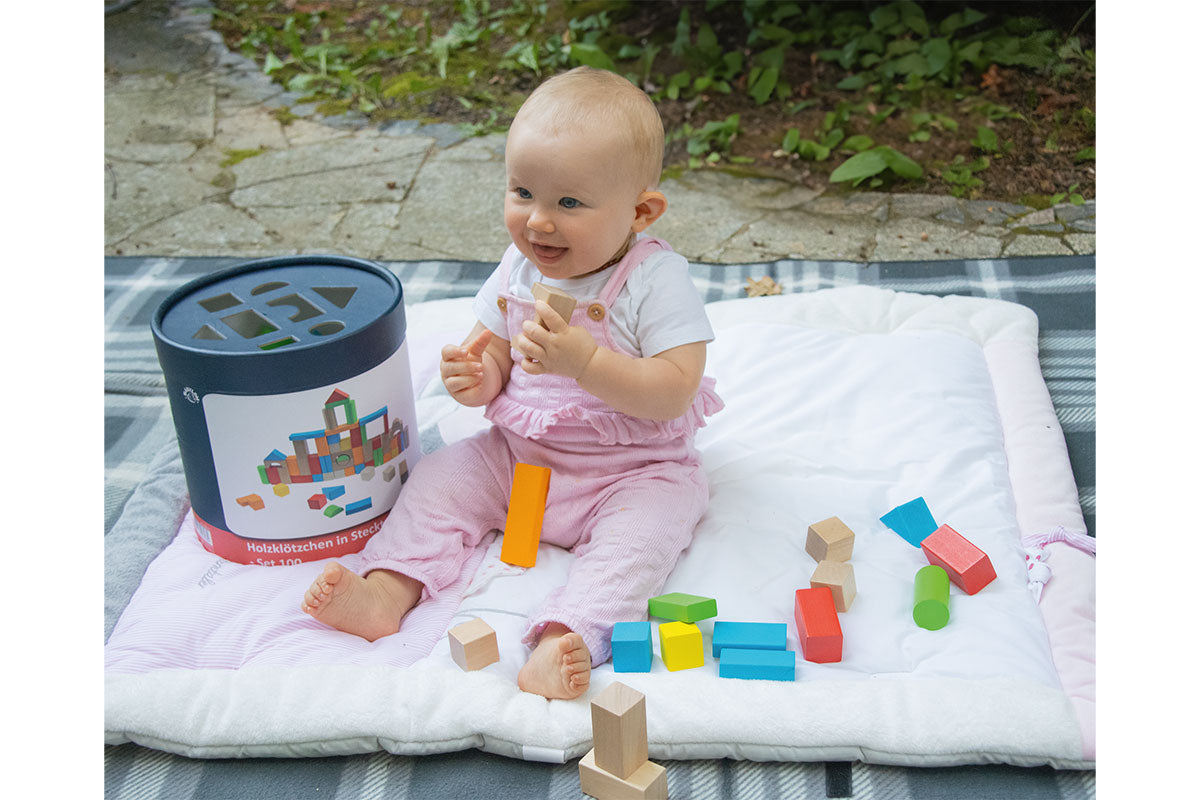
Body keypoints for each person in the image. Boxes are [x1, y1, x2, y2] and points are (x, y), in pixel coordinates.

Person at [300, 66, 723, 699]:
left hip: (632, 472)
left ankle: (565, 635)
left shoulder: (653, 281)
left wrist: (587, 364)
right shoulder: (518, 270)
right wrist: (476, 377)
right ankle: (387, 590)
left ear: (641, 211)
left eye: (569, 204)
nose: (539, 222)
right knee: (439, 480)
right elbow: (491, 348)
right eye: (523, 192)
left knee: (643, 541)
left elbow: (675, 390)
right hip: (519, 459)